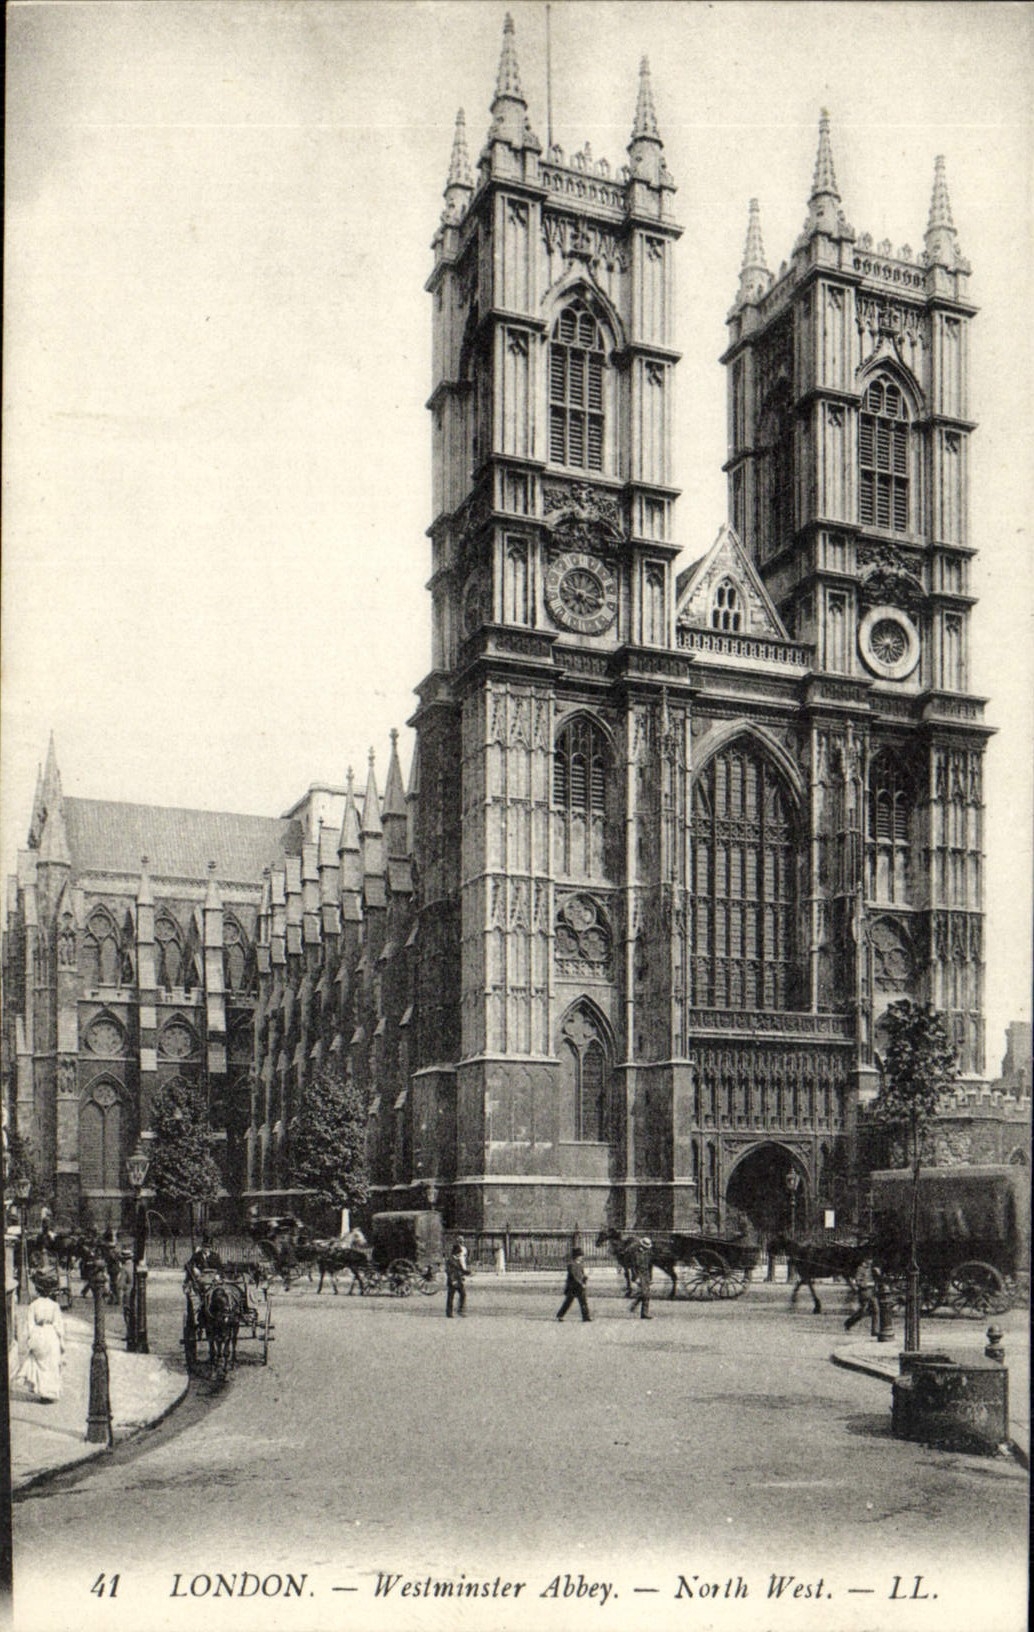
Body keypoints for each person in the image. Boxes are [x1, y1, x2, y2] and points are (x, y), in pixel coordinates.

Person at [17, 1276, 66, 1403]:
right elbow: (58, 1324)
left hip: (39, 1333)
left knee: (40, 1363)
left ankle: (43, 1392)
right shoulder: (55, 1305)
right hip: (51, 1334)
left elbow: (30, 1324)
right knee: (51, 1364)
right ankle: (50, 1392)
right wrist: (61, 1340)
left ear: (38, 1290)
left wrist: (29, 1340)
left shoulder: (33, 1305)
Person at [555, 1247, 592, 1323]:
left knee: (583, 1302)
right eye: (580, 1256)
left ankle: (586, 1317)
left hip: (579, 1286)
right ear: (576, 1256)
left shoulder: (580, 1265)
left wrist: (585, 1278)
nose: (581, 1257)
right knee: (568, 1302)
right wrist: (581, 1283)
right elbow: (574, 1276)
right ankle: (560, 1315)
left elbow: (582, 1274)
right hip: (573, 1287)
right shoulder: (571, 1265)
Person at [629, 1237, 653, 1320]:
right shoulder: (636, 1254)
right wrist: (636, 1277)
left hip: (646, 1274)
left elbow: (649, 1266)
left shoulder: (648, 1254)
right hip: (639, 1274)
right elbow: (633, 1266)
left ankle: (635, 1305)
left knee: (645, 1293)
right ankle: (644, 1313)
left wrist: (650, 1277)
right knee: (645, 1294)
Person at [445, 1241, 471, 1318]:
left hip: (459, 1280)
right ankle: (449, 1313)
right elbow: (449, 1272)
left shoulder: (457, 1260)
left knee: (463, 1295)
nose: (460, 1254)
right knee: (451, 1297)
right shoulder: (450, 1260)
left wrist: (468, 1272)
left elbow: (461, 1270)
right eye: (459, 1253)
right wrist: (453, 1280)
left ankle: (461, 1310)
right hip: (453, 1281)